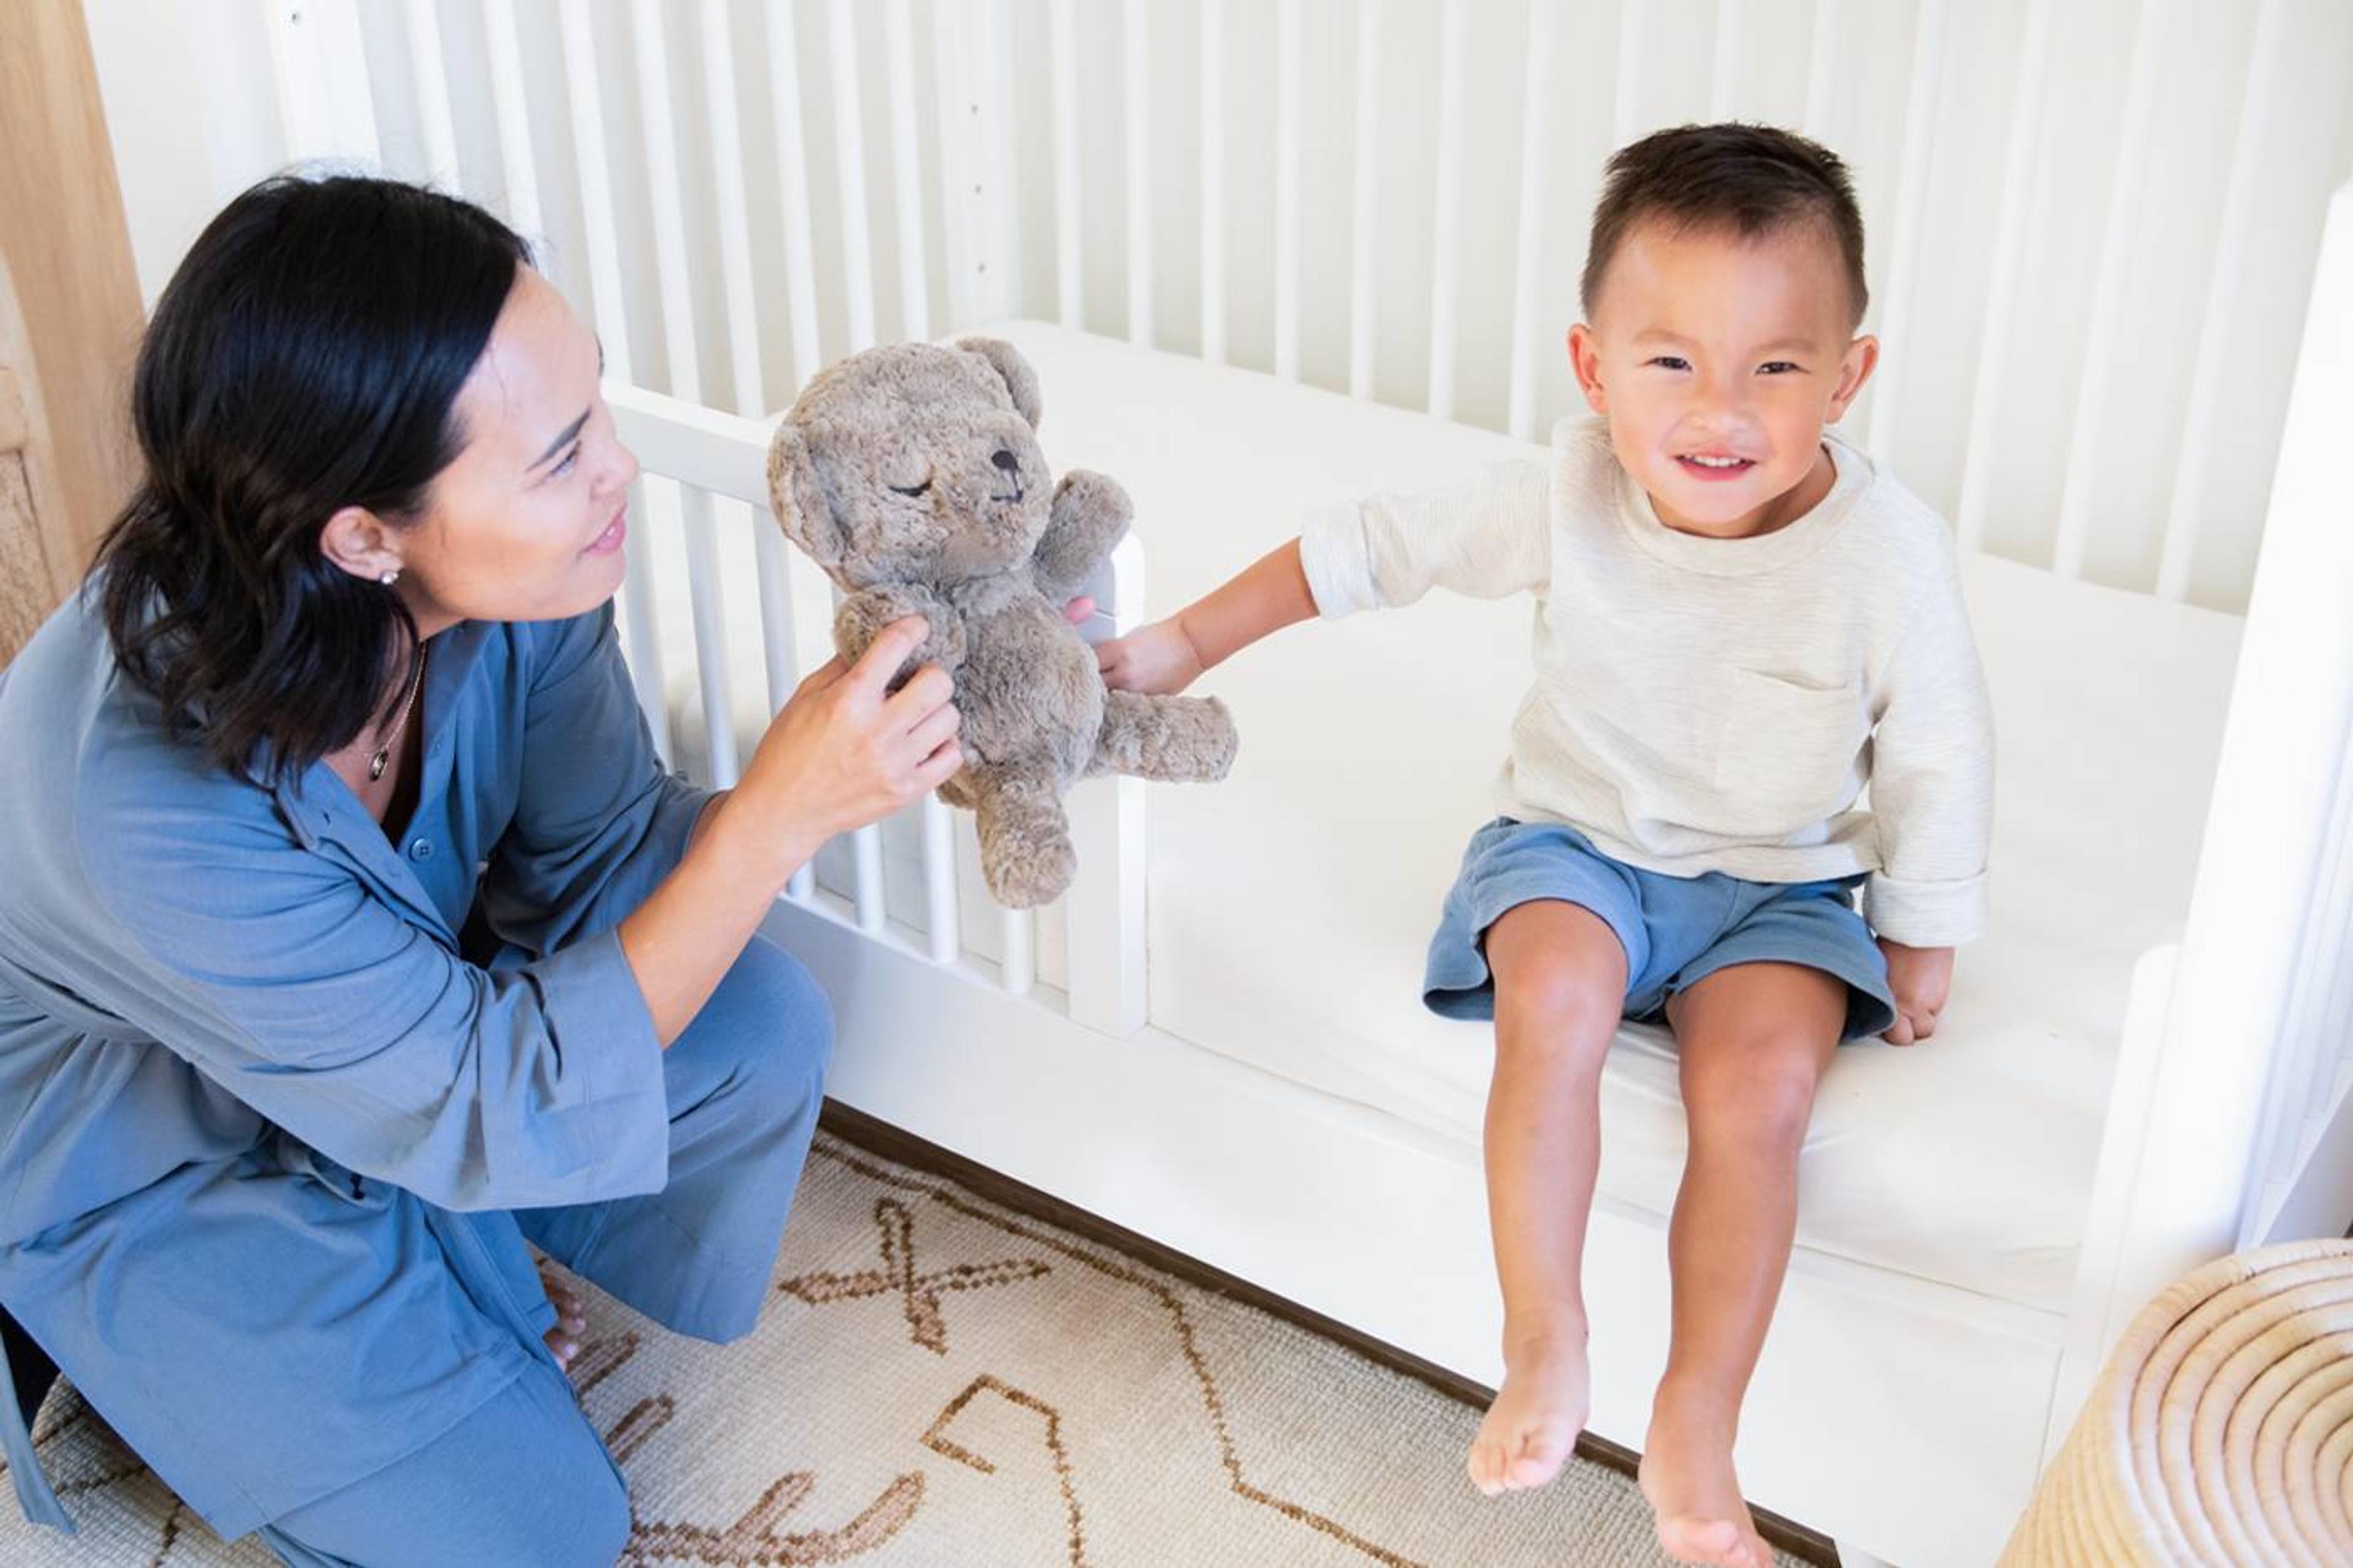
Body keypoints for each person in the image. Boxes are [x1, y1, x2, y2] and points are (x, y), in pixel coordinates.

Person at [0, 173, 966, 1566]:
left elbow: (608, 858)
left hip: (393, 1053)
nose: (619, 471)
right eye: (560, 453)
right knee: (542, 1529)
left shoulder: (519, 589)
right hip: (160, 1153)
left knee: (758, 1025)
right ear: (361, 534)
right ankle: (158, 1342)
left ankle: (428, 1254)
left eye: (598, 410)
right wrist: (773, 820)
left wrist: (862, 734)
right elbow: (486, 1090)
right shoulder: (138, 796)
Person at [1093, 124, 1995, 1567]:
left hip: (1778, 883)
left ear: (1849, 376)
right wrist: (1188, 639)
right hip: (1578, 843)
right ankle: (1546, 1336)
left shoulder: (1885, 554)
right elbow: (1366, 549)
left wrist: (1925, 922)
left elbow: (1941, 742)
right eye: (1672, 361)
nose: (1723, 408)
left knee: (1761, 1090)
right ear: (1592, 370)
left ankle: (1698, 1414)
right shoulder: (1568, 489)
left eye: (1776, 365)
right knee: (1554, 1003)